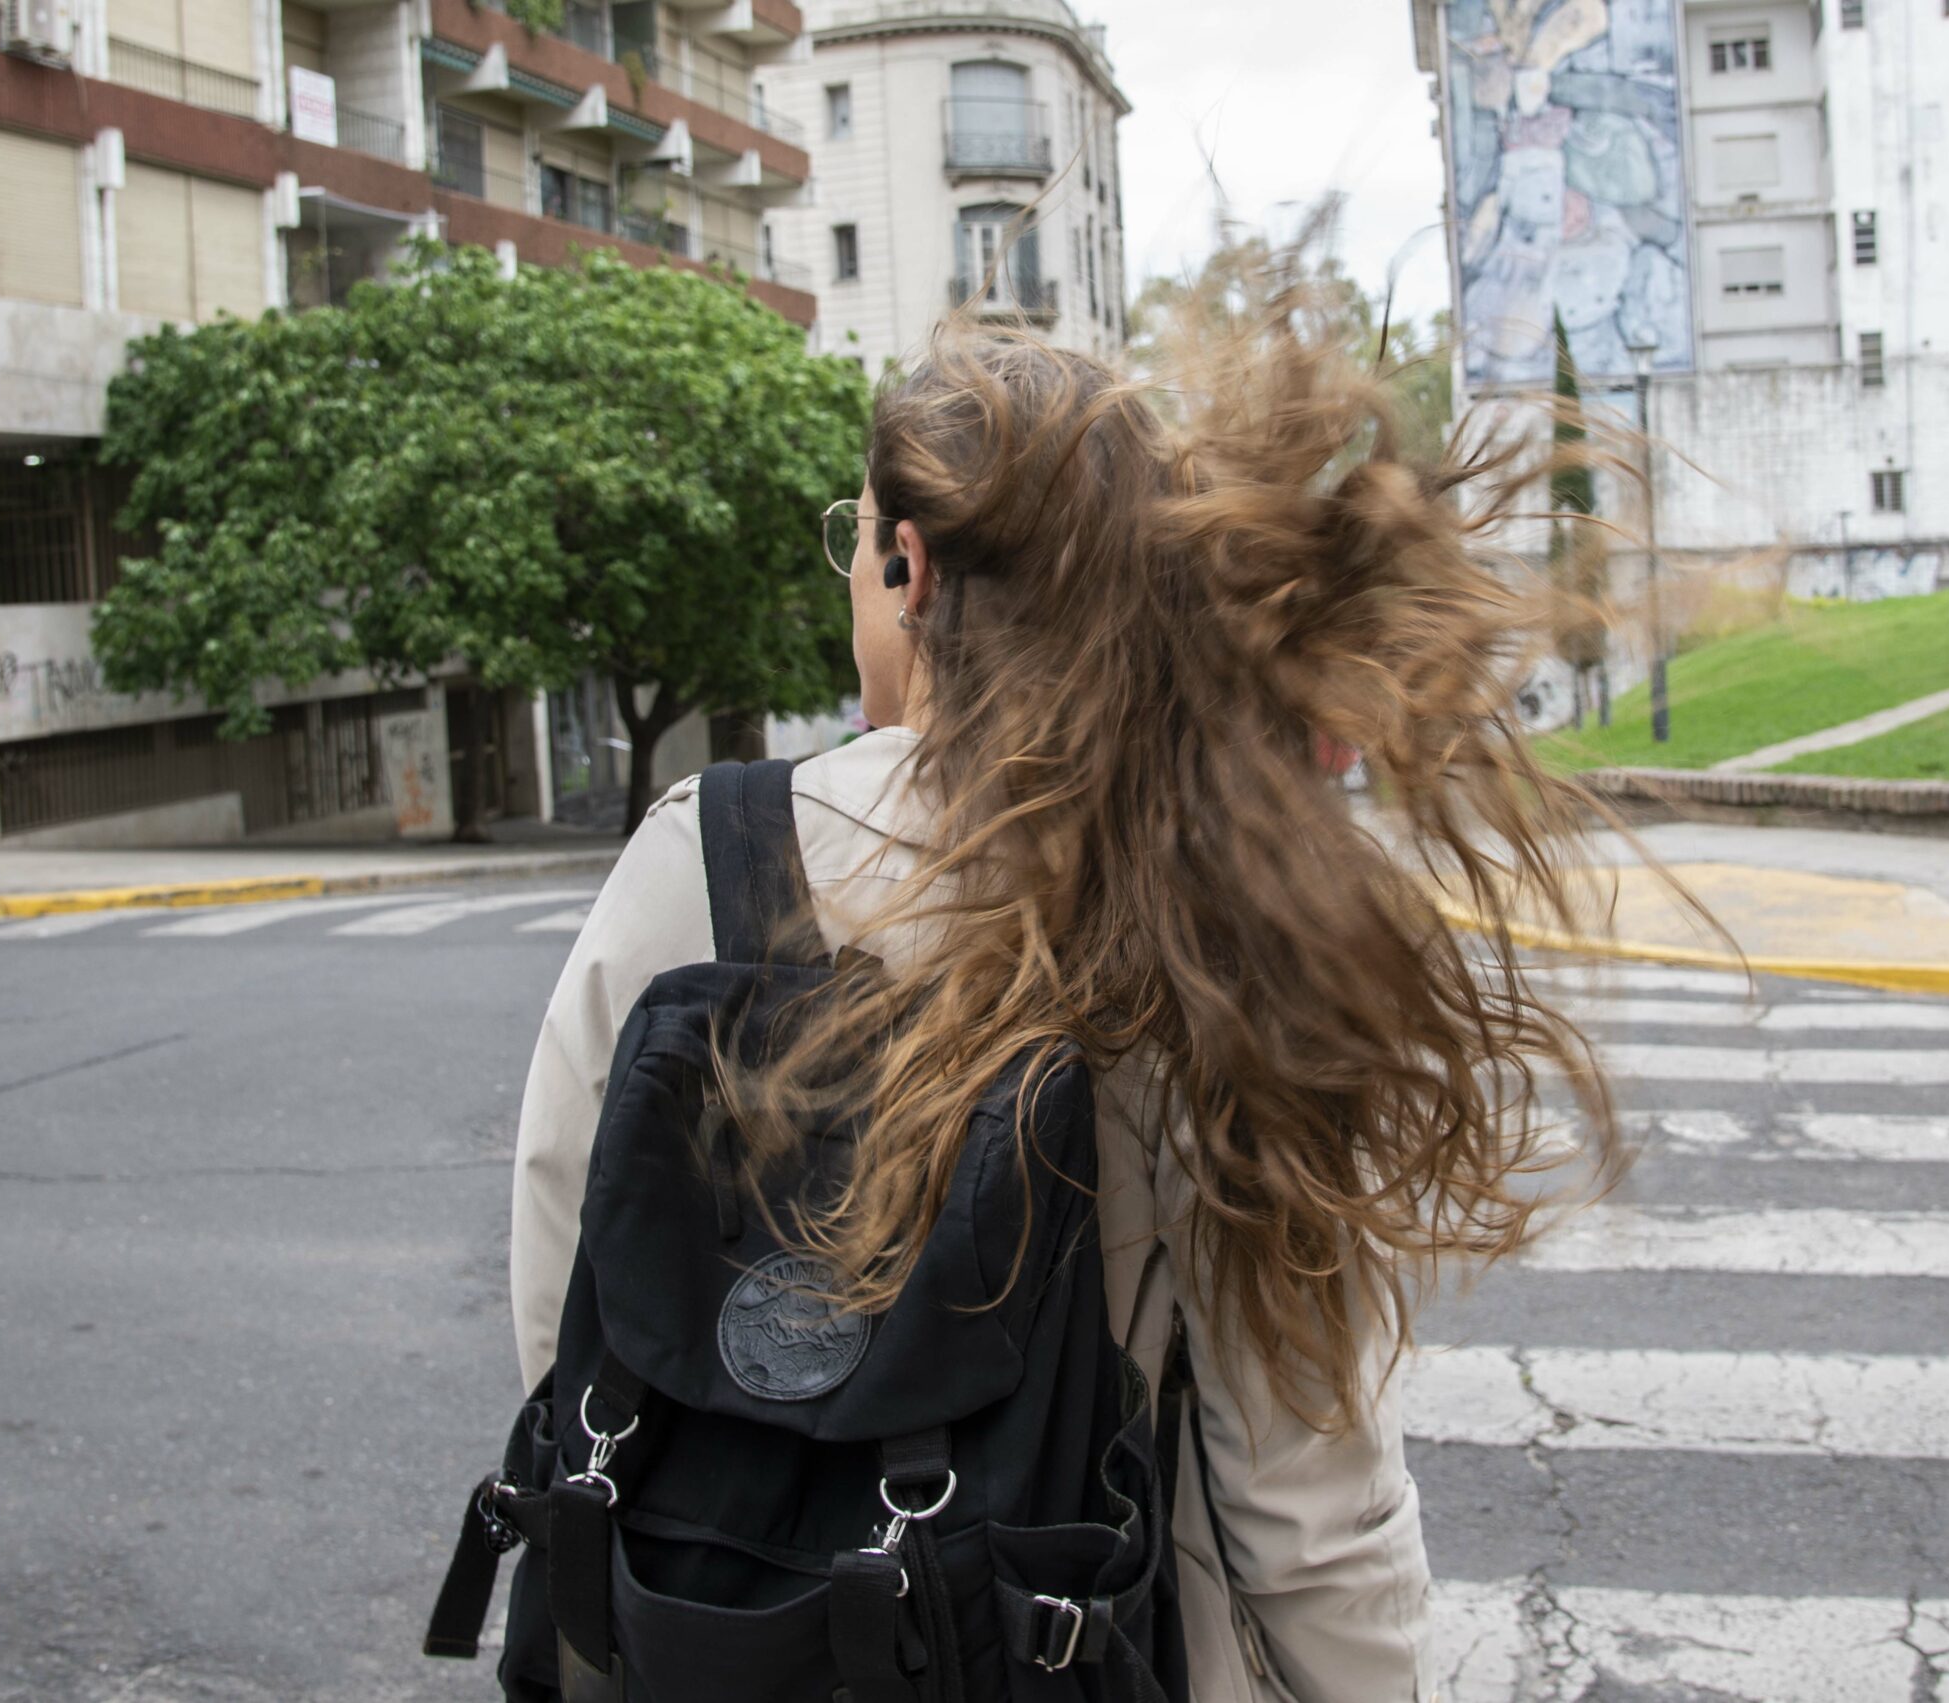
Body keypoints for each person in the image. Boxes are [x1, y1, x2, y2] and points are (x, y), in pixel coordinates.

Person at [510, 273, 1617, 1702]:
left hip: (707, 1632)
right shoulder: (1206, 896)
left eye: (854, 541)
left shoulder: (703, 851)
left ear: (908, 564)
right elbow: (1304, 1502)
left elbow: (568, 1298)